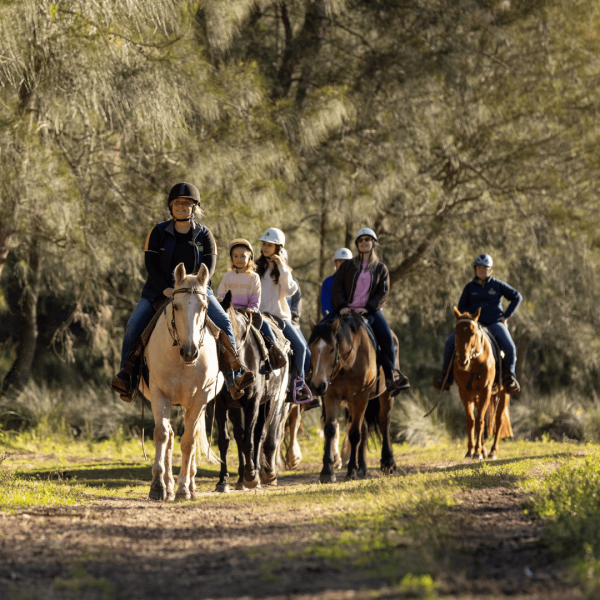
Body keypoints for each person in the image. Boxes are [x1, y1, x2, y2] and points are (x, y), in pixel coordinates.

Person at [110, 182, 254, 401]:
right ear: (171, 206)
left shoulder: (205, 235)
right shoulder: (157, 232)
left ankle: (235, 375)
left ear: (194, 207)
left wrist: (200, 288)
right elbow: (150, 264)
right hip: (159, 291)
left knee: (224, 322)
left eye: (186, 203)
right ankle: (126, 377)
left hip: (198, 293)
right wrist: (165, 288)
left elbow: (210, 266)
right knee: (133, 325)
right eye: (177, 203)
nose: (181, 206)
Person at [331, 227, 410, 397]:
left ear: (373, 243)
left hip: (370, 311)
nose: (364, 242)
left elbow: (383, 292)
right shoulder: (347, 266)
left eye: (368, 239)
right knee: (321, 330)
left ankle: (391, 378)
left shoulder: (381, 268)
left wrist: (367, 308)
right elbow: (337, 287)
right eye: (361, 240)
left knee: (388, 339)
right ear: (357, 244)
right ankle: (311, 374)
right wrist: (343, 306)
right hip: (346, 310)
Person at [433, 254, 522, 394]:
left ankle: (509, 378)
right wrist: (468, 319)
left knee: (510, 347)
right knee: (450, 344)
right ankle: (446, 377)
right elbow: (461, 307)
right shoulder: (469, 287)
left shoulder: (497, 285)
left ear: (490, 270)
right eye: (479, 268)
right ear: (475, 269)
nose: (482, 270)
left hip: (495, 323)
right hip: (475, 326)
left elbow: (517, 297)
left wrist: (505, 316)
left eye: (485, 268)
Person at [256, 228, 312, 403]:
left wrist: (281, 265)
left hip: (278, 318)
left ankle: (298, 384)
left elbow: (289, 290)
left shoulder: (282, 269)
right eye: (264, 244)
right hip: (257, 315)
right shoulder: (255, 266)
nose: (265, 247)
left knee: (301, 348)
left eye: (269, 245)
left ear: (278, 247)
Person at [217, 239, 287, 369]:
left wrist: (252, 308)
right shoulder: (227, 276)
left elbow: (256, 296)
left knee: (264, 325)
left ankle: (274, 350)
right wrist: (222, 306)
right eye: (235, 256)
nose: (239, 259)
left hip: (247, 311)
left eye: (243, 256)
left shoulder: (253, 277)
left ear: (250, 257)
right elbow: (221, 294)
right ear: (231, 258)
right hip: (230, 311)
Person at [321, 248, 353, 318]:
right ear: (336, 263)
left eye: (346, 261)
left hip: (354, 316)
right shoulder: (328, 282)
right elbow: (325, 305)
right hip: (334, 317)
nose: (343, 264)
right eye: (340, 261)